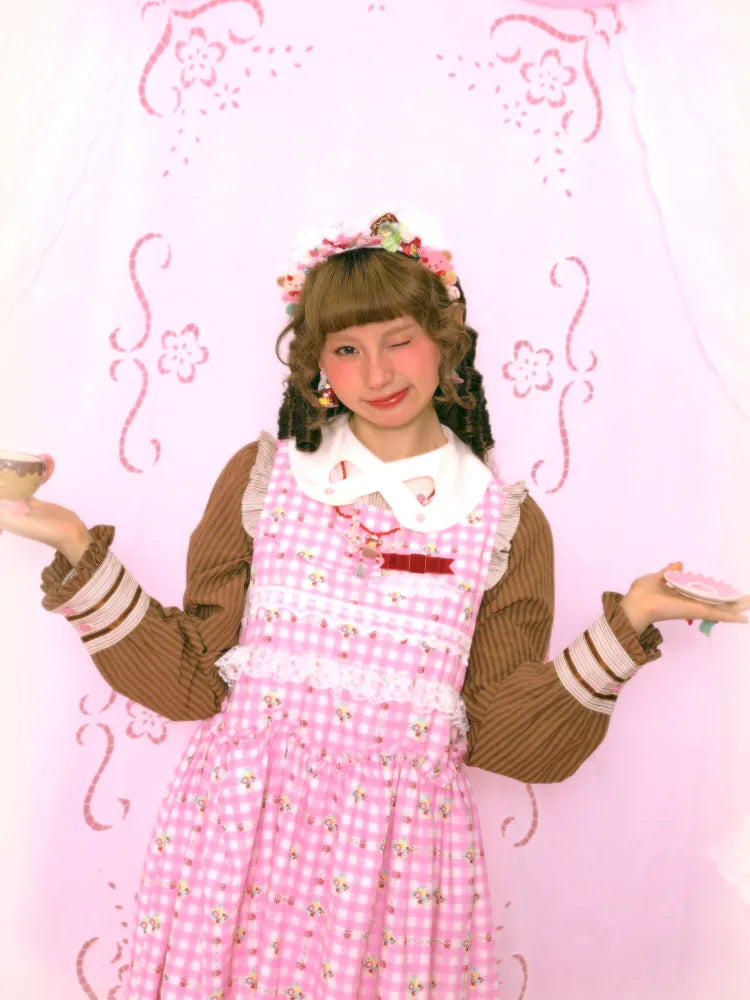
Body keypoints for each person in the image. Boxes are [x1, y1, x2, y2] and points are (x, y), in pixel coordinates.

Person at [1, 213, 747, 999]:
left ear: (445, 340)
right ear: (318, 363)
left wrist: (630, 622)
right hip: (232, 844)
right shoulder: (266, 480)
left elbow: (505, 734)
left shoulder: (503, 524)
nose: (378, 372)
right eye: (348, 349)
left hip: (397, 869)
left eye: (399, 340)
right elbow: (191, 677)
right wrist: (73, 542)